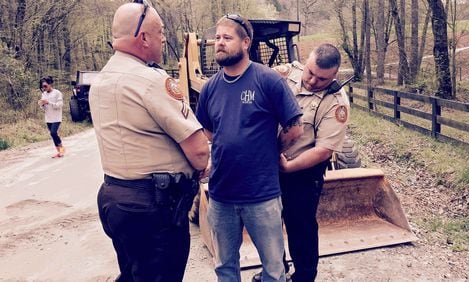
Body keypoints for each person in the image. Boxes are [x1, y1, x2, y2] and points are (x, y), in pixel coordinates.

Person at [88, 2, 209, 281]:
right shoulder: (150, 80)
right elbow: (200, 152)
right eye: (160, 31)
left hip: (115, 199)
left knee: (133, 273)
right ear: (143, 38)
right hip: (154, 209)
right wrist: (200, 166)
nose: (164, 38)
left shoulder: (101, 81)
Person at [195, 14, 304, 282]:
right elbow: (206, 130)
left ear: (245, 42)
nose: (219, 43)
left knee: (274, 268)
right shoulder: (210, 88)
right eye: (217, 38)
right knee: (225, 266)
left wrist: (270, 148)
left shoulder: (268, 80)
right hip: (221, 195)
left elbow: (295, 128)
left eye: (227, 38)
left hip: (262, 195)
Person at [273, 44, 350, 282]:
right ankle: (276, 269)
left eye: (322, 79)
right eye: (310, 73)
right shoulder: (287, 73)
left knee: (301, 226)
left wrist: (288, 167)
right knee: (269, 223)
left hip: (301, 172)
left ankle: (304, 276)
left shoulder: (336, 103)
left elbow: (324, 150)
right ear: (306, 62)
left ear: (334, 76)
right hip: (268, 164)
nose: (313, 81)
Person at [38, 76, 65, 158]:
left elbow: (59, 105)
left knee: (53, 132)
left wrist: (48, 102)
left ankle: (62, 150)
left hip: (56, 117)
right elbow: (43, 108)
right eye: (43, 87)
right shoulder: (44, 94)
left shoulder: (57, 93)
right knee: (53, 135)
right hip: (48, 118)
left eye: (45, 86)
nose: (44, 88)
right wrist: (42, 104)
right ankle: (59, 151)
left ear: (50, 84)